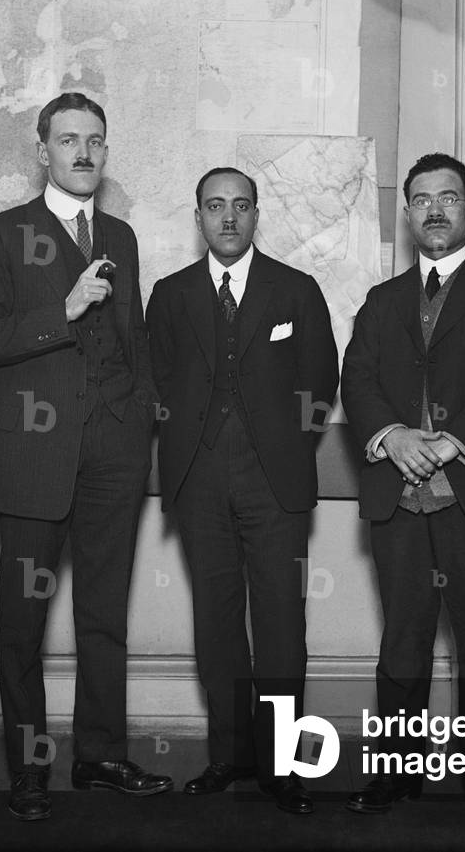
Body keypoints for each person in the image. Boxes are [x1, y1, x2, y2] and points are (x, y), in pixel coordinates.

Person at [0, 92, 170, 822]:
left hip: (115, 451)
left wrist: (140, 419)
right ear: (41, 150)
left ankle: (100, 755)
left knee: (104, 615)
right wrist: (65, 310)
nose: (84, 152)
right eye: (68, 139)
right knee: (24, 622)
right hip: (34, 455)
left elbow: (135, 340)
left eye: (95, 141)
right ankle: (28, 770)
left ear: (105, 153)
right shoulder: (1, 234)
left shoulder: (123, 234)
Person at [340, 153, 465, 829]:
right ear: (407, 211)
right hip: (396, 499)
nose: (434, 210)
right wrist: (393, 435)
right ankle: (395, 771)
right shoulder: (380, 301)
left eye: (448, 198)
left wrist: (453, 443)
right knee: (401, 643)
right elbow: (357, 379)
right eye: (422, 198)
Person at [146, 167, 338, 814]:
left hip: (275, 486)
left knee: (282, 626)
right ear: (197, 215)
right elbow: (159, 382)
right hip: (198, 484)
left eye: (240, 206)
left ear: (257, 214)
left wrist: (288, 452)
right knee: (217, 627)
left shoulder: (297, 290)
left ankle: (284, 766)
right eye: (214, 206)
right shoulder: (169, 295)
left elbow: (320, 382)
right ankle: (229, 756)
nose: (228, 217)